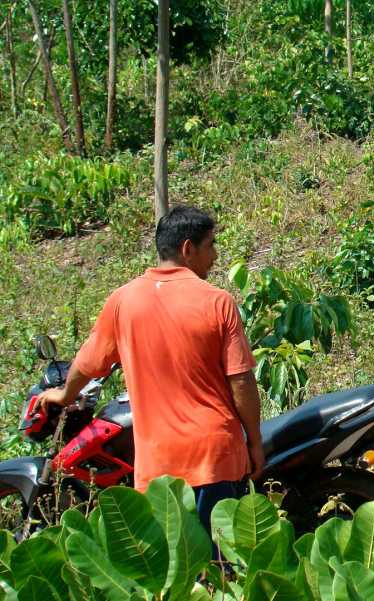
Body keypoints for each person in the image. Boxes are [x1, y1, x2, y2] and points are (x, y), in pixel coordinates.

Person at [37, 205, 264, 533]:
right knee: (220, 568)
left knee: (172, 568)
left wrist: (63, 394)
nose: (215, 256)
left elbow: (87, 365)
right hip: (214, 455)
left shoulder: (122, 301)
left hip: (158, 466)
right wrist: (254, 441)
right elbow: (240, 380)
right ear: (188, 249)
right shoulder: (218, 301)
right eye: (211, 245)